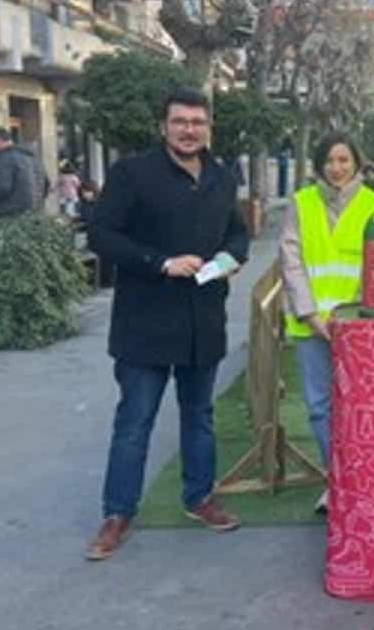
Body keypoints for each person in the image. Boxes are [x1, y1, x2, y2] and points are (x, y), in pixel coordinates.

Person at [84, 88, 250, 561]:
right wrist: (160, 262)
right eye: (180, 121)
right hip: (146, 323)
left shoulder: (220, 177)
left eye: (198, 122)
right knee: (135, 422)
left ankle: (199, 498)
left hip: (203, 321)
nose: (189, 129)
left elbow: (237, 231)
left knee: (199, 417)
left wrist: (231, 257)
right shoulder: (132, 174)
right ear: (164, 126)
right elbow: (101, 234)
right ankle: (118, 514)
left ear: (208, 128)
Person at [279, 132, 374, 513]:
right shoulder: (302, 204)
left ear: (356, 162)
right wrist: (310, 314)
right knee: (320, 407)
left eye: (344, 160)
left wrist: (353, 320)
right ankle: (336, 480)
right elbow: (290, 261)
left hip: (359, 328)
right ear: (319, 166)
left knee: (362, 407)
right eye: (330, 161)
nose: (337, 168)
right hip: (311, 326)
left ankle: (364, 481)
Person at [0, 127, 37, 217]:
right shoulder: (25, 155)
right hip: (28, 206)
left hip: (10, 208)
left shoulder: (5, 157)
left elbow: (2, 186)